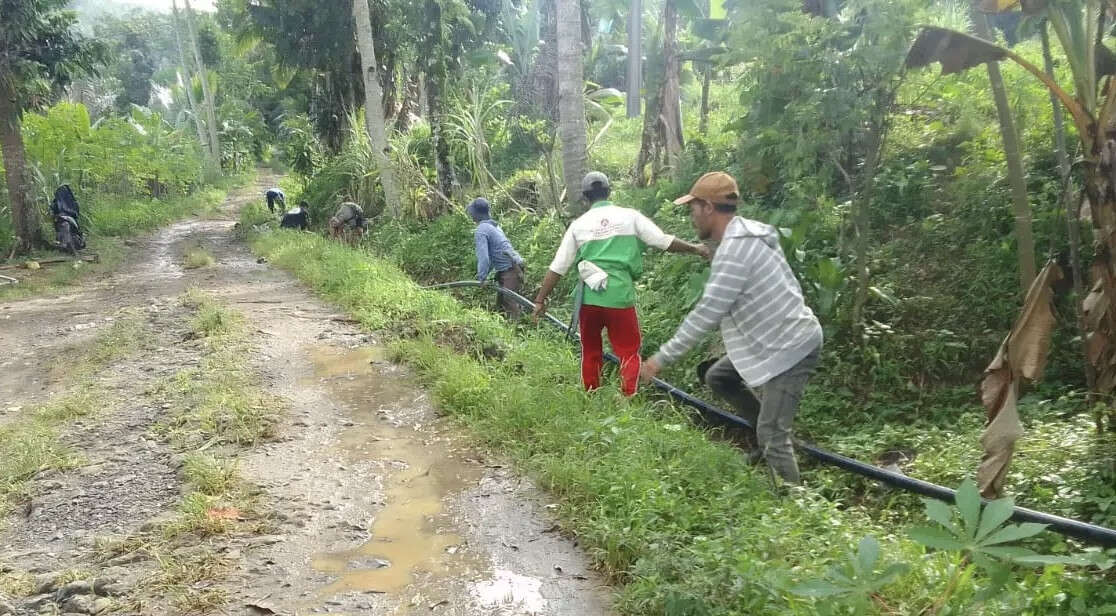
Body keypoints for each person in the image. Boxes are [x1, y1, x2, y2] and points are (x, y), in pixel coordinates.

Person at [640, 172, 823, 485]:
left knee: (773, 433)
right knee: (719, 377)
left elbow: (707, 314)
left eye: (693, 208)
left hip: (790, 347)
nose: (692, 216)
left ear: (708, 208)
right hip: (770, 338)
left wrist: (659, 360)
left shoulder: (736, 250)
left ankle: (797, 510)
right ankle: (768, 442)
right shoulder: (748, 235)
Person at [532, 171, 710, 396]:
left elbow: (558, 267)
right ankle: (627, 399)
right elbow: (663, 241)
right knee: (628, 352)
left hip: (590, 299)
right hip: (620, 297)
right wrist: (696, 248)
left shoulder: (578, 225)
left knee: (591, 351)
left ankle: (591, 396)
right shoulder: (630, 216)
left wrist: (540, 299)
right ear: (609, 191)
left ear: (586, 198)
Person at [467, 197, 526, 319]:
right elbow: (494, 255)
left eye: (472, 213)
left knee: (510, 303)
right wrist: (484, 275)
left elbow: (484, 257)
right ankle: (507, 327)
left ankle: (514, 332)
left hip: (510, 269)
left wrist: (482, 278)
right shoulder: (494, 226)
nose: (471, 215)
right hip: (515, 267)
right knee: (501, 305)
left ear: (476, 213)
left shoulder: (481, 230)